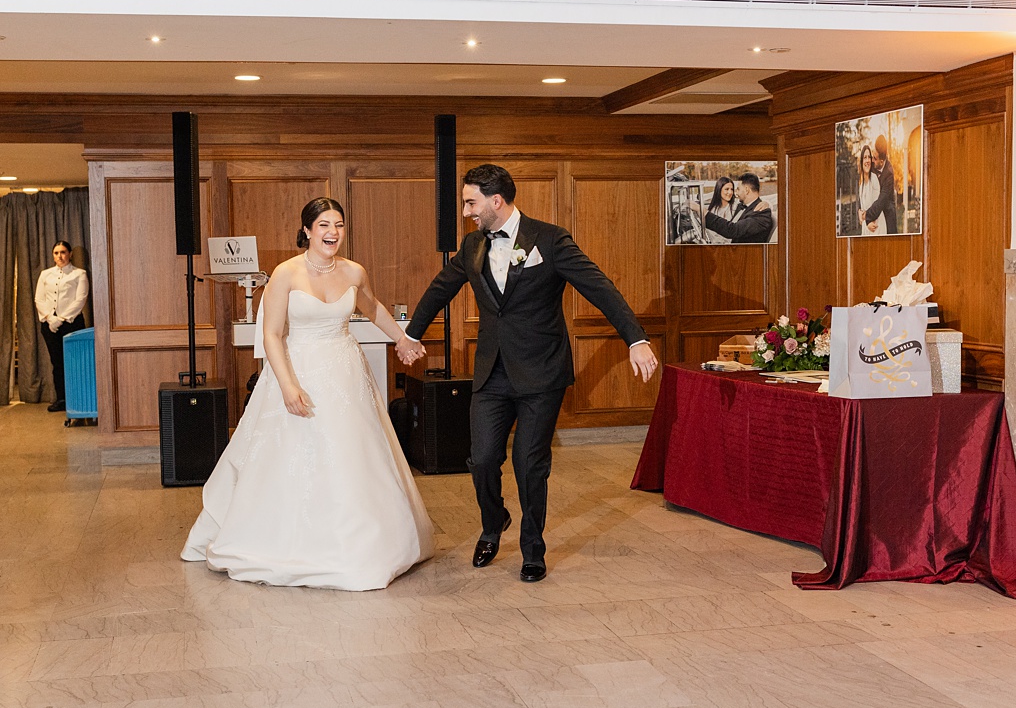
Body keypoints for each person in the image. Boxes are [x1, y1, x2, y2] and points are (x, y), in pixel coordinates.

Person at [397, 164, 658, 583]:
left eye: (471, 202)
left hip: (541, 374)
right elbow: (439, 289)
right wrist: (410, 335)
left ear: (495, 201)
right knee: (482, 460)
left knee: (529, 464)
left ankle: (532, 548)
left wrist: (635, 339)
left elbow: (599, 287)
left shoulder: (550, 240)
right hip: (491, 374)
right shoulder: (472, 245)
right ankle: (494, 520)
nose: (466, 211)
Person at [179, 198, 434, 591]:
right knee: (290, 455)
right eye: (324, 225)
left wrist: (402, 338)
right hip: (297, 369)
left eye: (340, 225)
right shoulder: (286, 273)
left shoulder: (354, 271)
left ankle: (365, 544)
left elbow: (373, 308)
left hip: (346, 372)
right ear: (307, 230)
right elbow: (271, 334)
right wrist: (287, 385)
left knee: (352, 456)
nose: (333, 232)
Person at [34, 241, 89, 412]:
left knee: (76, 363)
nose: (60, 256)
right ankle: (62, 399)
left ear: (70, 254)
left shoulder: (79, 274)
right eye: (56, 253)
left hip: (72, 324)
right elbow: (39, 299)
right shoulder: (45, 274)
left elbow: (80, 299)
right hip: (50, 326)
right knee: (57, 362)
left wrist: (63, 318)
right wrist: (51, 319)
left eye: (63, 252)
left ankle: (79, 399)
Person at [691, 171, 774, 243]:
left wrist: (702, 211)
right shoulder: (744, 206)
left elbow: (733, 230)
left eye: (738, 189)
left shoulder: (762, 214)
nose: (735, 193)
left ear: (746, 190)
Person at [861, 135, 898, 235]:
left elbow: (881, 201)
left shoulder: (889, 174)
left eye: (875, 158)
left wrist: (866, 217)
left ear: (882, 162)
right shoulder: (872, 164)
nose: (871, 160)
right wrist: (860, 211)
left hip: (886, 216)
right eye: (872, 156)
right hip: (874, 214)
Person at [855, 145, 889, 236]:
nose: (867, 160)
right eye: (865, 157)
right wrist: (859, 212)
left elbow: (876, 207)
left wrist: (867, 222)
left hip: (876, 225)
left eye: (869, 157)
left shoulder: (873, 179)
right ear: (861, 161)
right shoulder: (861, 184)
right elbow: (862, 208)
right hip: (867, 226)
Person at [704, 176, 739, 243]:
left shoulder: (736, 206)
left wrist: (764, 204)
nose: (730, 192)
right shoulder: (712, 210)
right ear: (719, 189)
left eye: (732, 189)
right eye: (727, 189)